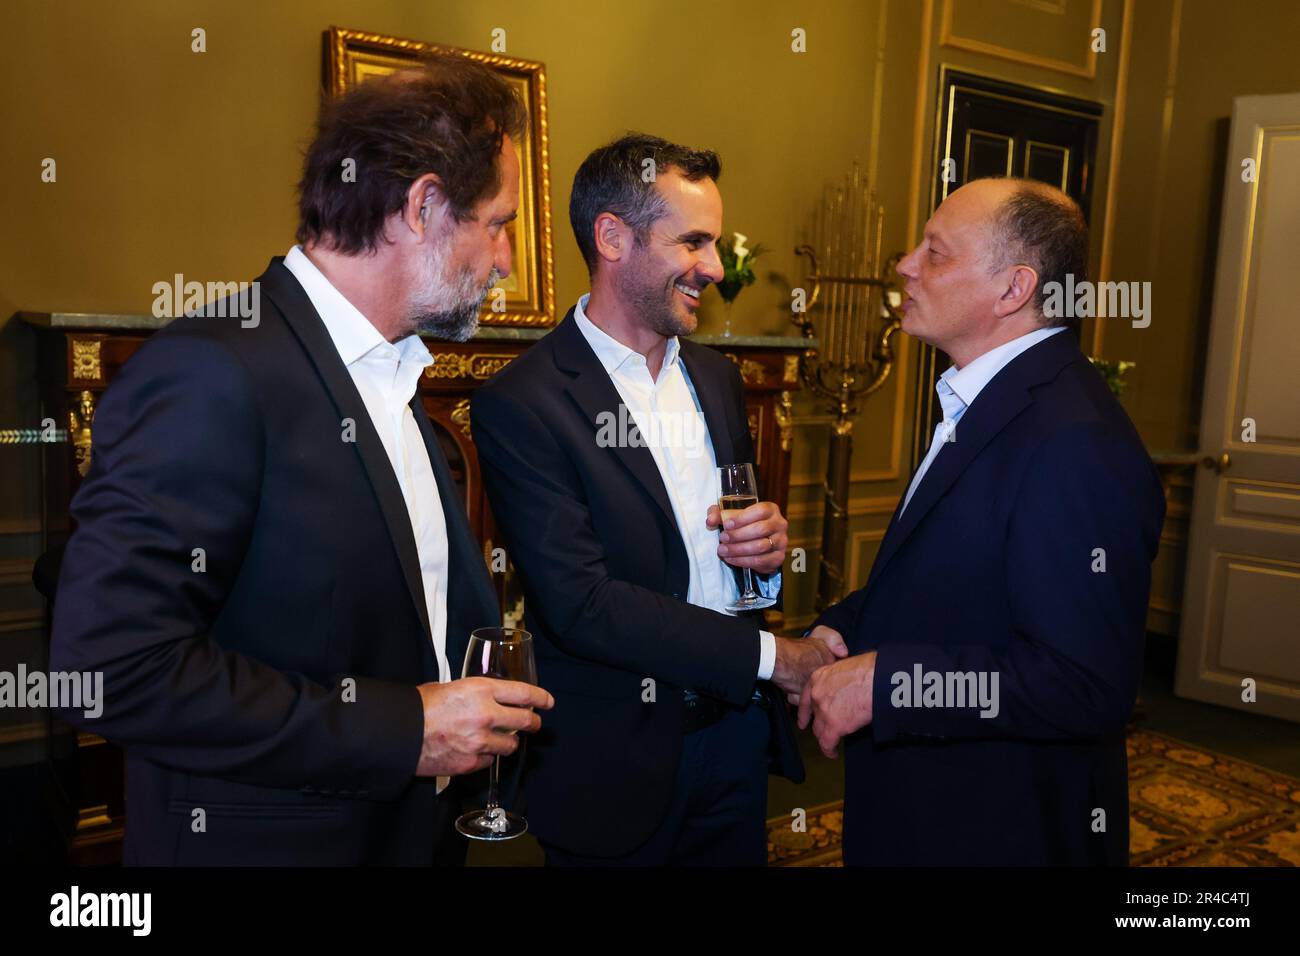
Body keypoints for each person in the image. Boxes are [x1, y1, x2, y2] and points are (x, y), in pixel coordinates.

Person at [49, 55, 553, 866]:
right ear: (422, 207)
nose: (503, 261)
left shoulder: (394, 373)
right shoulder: (212, 371)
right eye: (498, 224)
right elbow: (112, 667)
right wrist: (406, 730)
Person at [471, 133, 845, 865]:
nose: (713, 266)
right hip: (614, 765)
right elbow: (582, 606)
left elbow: (724, 560)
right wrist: (778, 658)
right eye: (694, 242)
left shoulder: (719, 379)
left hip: (735, 739)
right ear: (613, 237)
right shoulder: (523, 403)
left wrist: (761, 557)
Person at [799, 177, 1165, 866]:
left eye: (935, 252)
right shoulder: (986, 400)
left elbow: (1083, 684)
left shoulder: (1073, 438)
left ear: (1012, 289)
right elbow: (945, 580)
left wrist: (891, 683)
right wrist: (842, 628)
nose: (906, 264)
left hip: (999, 831)